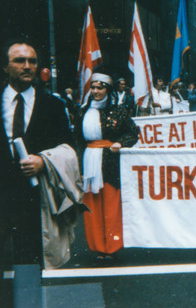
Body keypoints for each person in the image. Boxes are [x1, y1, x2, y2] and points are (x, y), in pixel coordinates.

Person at [0, 40, 78, 270]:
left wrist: (44, 160)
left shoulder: (53, 105)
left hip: (35, 196)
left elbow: (69, 147)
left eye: (32, 61)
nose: (27, 66)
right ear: (5, 67)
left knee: (30, 264)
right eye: (19, 61)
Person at [74, 73, 139, 260]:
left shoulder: (118, 111)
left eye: (100, 88)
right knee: (92, 205)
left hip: (110, 163)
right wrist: (79, 164)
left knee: (111, 205)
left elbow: (133, 132)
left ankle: (111, 247)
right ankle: (97, 248)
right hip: (89, 161)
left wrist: (120, 143)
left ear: (107, 90)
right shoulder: (83, 111)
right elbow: (78, 139)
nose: (95, 91)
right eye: (93, 88)